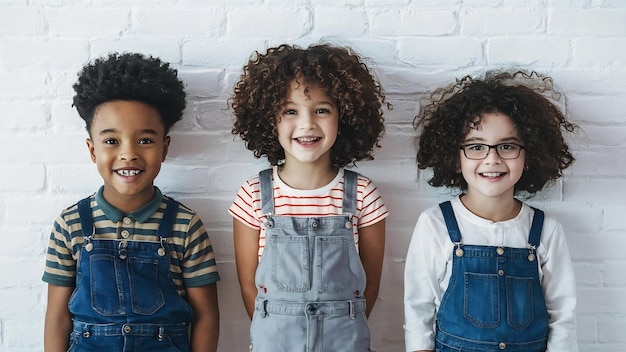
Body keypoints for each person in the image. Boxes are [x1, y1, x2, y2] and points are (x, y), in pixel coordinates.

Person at [42, 52, 220, 352]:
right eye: (112, 141)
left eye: (145, 140)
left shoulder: (185, 225)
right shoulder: (70, 224)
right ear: (92, 150)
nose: (129, 154)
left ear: (164, 148)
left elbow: (206, 315)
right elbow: (57, 317)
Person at [228, 43, 389, 351]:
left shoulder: (363, 195)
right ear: (269, 118)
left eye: (322, 110)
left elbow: (369, 285)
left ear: (345, 115)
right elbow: (250, 286)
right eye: (290, 111)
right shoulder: (252, 195)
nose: (307, 124)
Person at [404, 70, 579, 352]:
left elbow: (563, 316)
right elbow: (418, 309)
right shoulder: (435, 223)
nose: (492, 159)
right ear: (455, 156)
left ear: (529, 154)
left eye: (507, 146)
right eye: (476, 146)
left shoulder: (546, 230)